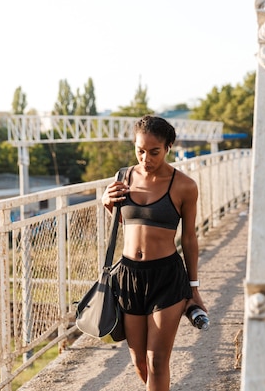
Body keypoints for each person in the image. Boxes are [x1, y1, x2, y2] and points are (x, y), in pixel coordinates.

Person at [101, 115, 206, 390]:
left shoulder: (184, 185)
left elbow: (190, 237)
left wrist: (194, 288)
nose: (145, 158)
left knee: (158, 361)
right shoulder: (123, 177)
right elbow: (128, 222)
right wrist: (105, 201)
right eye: (140, 150)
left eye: (154, 151)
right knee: (139, 362)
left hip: (167, 278)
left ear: (168, 147)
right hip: (128, 277)